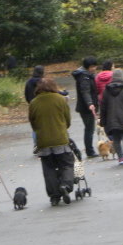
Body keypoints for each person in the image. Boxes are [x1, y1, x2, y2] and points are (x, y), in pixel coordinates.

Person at [28, 77, 76, 205]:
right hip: (60, 139)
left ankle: (54, 196)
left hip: (43, 141)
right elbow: (67, 120)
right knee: (66, 164)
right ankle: (66, 185)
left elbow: (33, 123)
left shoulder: (34, 103)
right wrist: (62, 127)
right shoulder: (60, 99)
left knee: (48, 168)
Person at [98, 69, 123, 165]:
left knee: (116, 139)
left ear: (113, 78)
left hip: (111, 119)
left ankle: (120, 157)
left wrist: (103, 120)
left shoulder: (106, 90)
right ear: (122, 77)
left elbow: (103, 107)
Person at [71, 56, 99, 158]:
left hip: (87, 106)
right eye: (92, 66)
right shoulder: (84, 77)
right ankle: (90, 151)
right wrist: (90, 103)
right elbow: (85, 91)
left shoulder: (87, 74)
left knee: (89, 129)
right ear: (87, 67)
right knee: (89, 129)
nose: (94, 68)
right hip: (86, 107)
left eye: (95, 66)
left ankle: (89, 150)